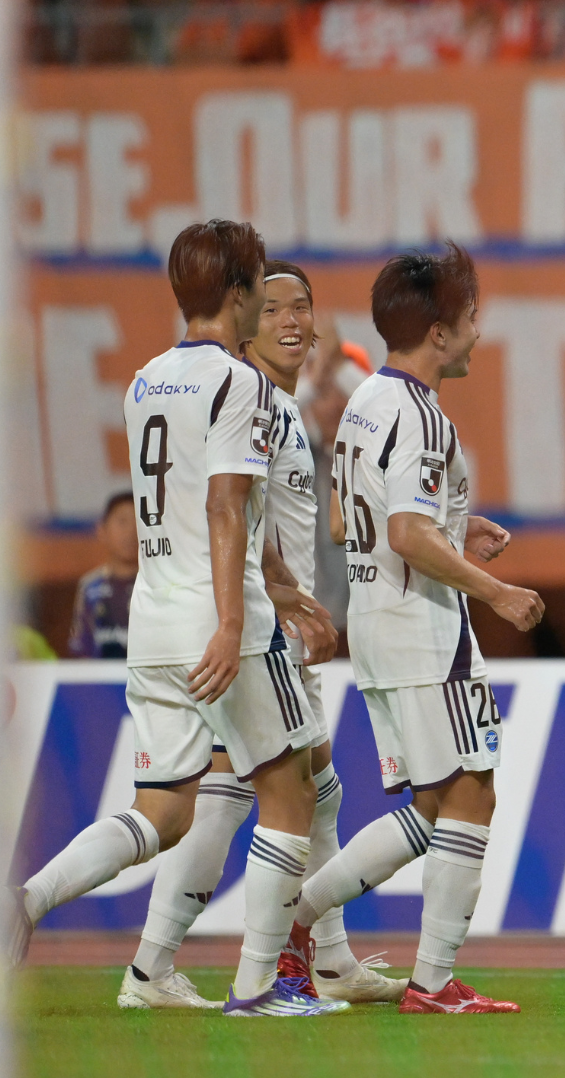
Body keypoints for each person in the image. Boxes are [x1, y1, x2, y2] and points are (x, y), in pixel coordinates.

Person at [3, 220, 347, 1017]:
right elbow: (226, 507)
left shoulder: (145, 381)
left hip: (154, 620)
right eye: (259, 288)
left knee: (162, 811)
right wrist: (232, 623)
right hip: (221, 623)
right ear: (238, 293)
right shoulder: (241, 384)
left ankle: (27, 900)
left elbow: (204, 507)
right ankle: (258, 986)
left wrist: (285, 589)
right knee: (291, 793)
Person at [117, 261, 407, 1009]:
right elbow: (231, 516)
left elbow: (298, 522)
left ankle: (308, 959)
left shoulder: (281, 407)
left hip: (266, 624)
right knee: (268, 793)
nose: (289, 320)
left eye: (301, 307)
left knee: (295, 790)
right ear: (245, 320)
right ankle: (256, 970)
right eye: (272, 307)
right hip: (251, 630)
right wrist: (268, 607)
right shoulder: (250, 402)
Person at [281, 243, 544, 1014]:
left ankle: (295, 923)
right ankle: (429, 982)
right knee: (472, 795)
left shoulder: (364, 401)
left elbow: (346, 522)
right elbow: (403, 532)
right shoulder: (421, 415)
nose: (477, 331)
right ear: (438, 332)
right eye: (469, 318)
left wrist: (453, 528)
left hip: (376, 624)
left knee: (433, 809)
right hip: (427, 631)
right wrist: (495, 591)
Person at [69, 492, 139, 658]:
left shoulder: (155, 583)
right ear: (102, 530)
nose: (131, 531)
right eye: (122, 522)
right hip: (100, 672)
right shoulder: (90, 586)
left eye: (138, 522)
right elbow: (80, 647)